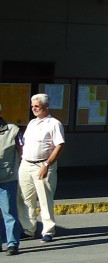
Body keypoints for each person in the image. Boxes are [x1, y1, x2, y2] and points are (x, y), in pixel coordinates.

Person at [19, 93, 64, 243]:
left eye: (37, 106)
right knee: (25, 198)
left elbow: (59, 145)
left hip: (43, 164)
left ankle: (48, 231)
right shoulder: (32, 123)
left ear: (46, 106)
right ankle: (29, 228)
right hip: (26, 164)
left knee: (45, 199)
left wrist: (47, 164)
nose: (34, 109)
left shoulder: (54, 123)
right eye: (32, 106)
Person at [0, 108, 24, 254]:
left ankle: (12, 243)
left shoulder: (13, 130)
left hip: (7, 177)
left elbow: (22, 150)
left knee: (9, 211)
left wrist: (17, 168)